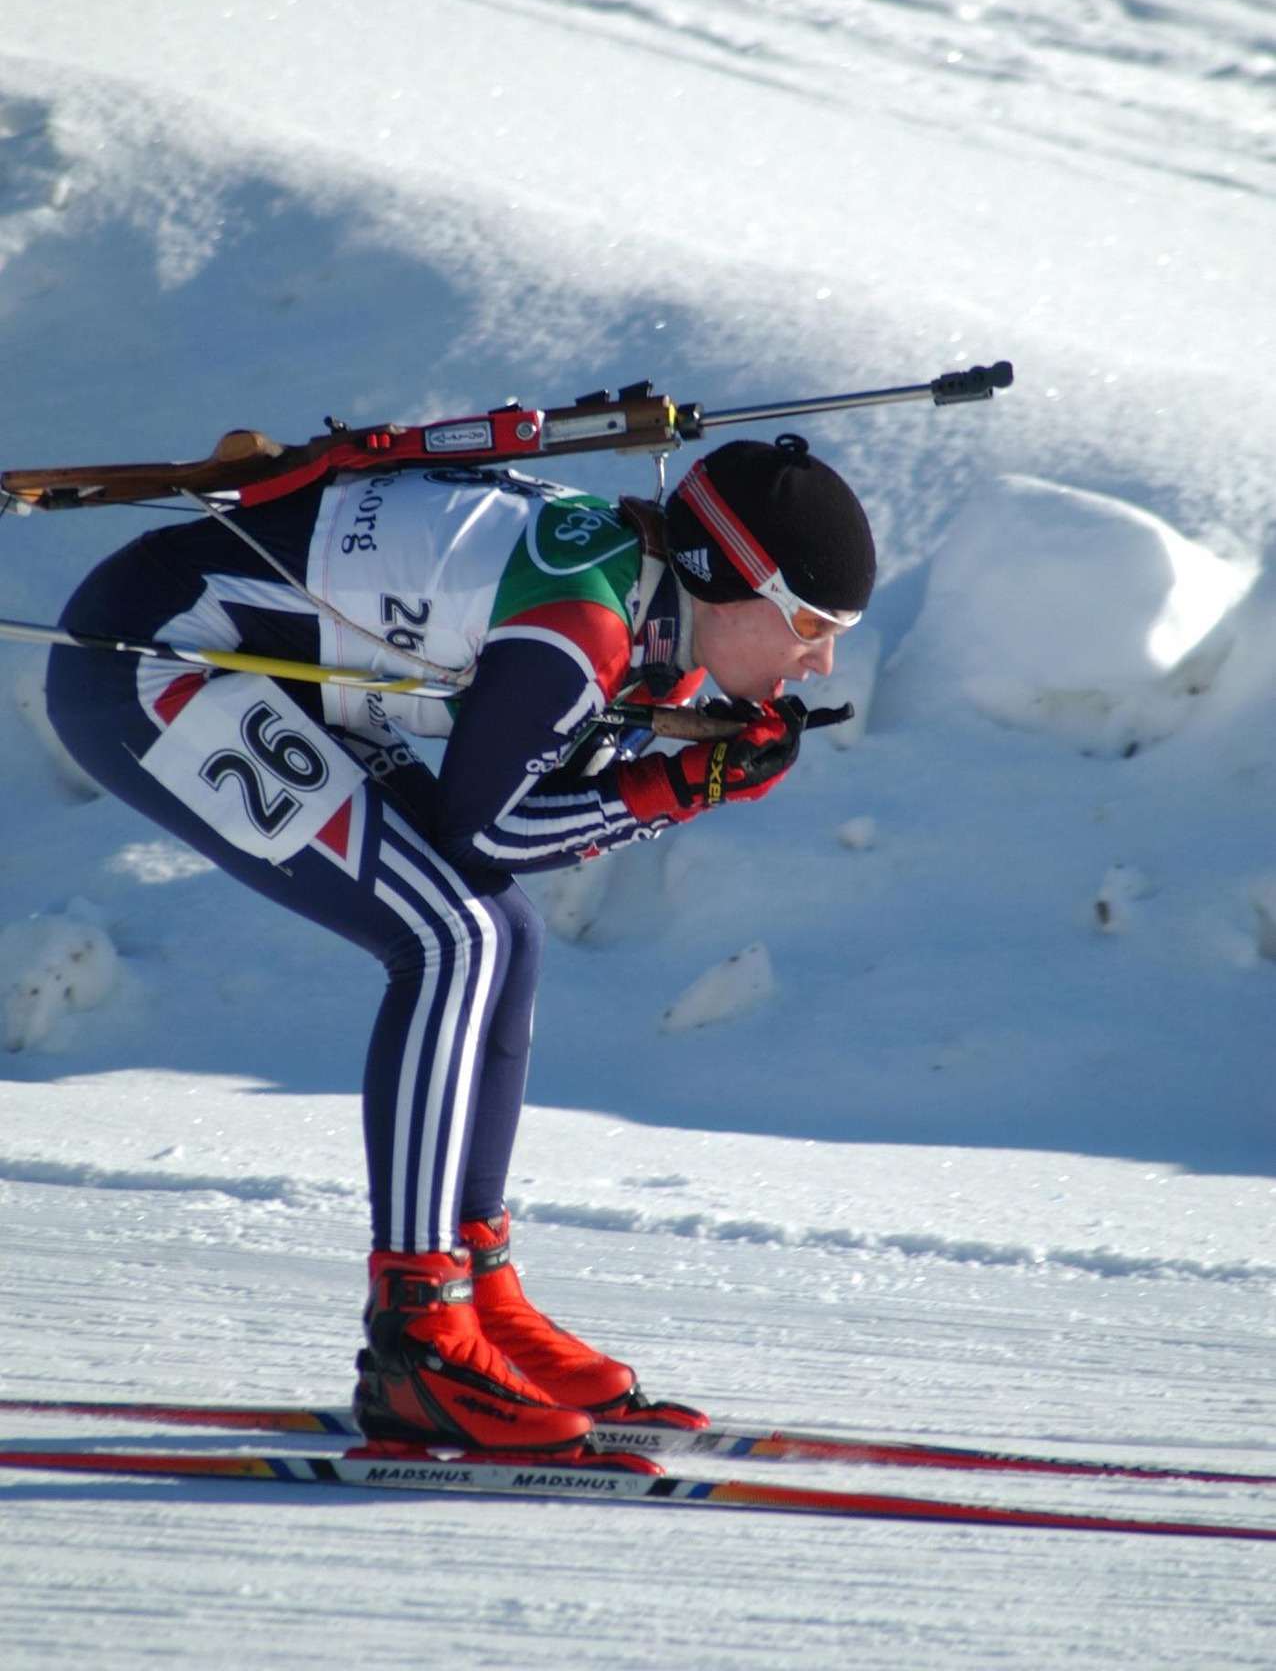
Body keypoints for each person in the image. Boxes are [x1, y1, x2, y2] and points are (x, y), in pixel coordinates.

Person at [45, 432, 875, 1453]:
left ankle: (477, 1294)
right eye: (810, 624)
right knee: (451, 937)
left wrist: (675, 771)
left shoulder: (644, 607)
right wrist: (681, 786)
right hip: (154, 660)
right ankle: (417, 1333)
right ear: (729, 585)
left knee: (501, 933)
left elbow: (540, 798)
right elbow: (488, 828)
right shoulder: (586, 625)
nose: (822, 659)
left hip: (288, 673)